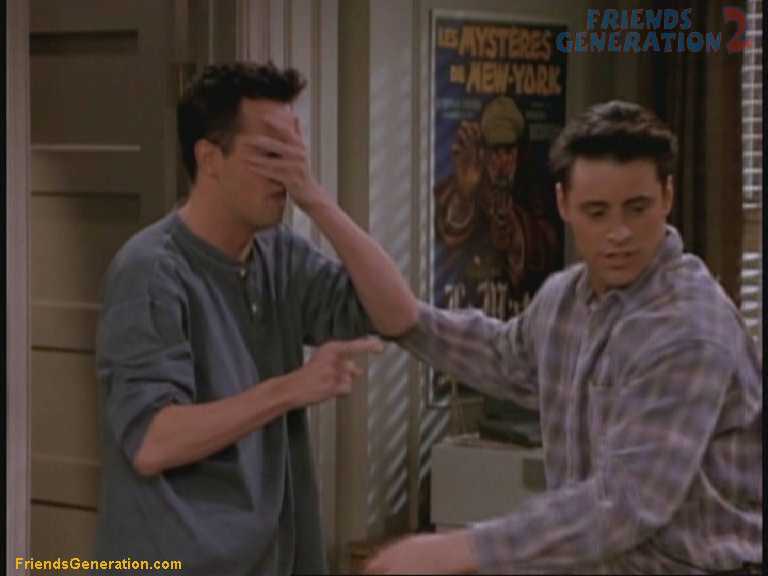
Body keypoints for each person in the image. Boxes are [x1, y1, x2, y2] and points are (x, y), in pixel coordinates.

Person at [365, 101, 762, 574]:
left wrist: (461, 549)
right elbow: (503, 357)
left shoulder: (690, 329)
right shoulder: (564, 299)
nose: (619, 233)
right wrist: (409, 322)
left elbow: (625, 504)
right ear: (563, 204)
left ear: (667, 196)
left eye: (637, 209)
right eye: (597, 212)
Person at [94, 62, 417, 576]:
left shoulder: (279, 256)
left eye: (294, 153)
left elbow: (398, 314)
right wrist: (291, 388)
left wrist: (317, 200)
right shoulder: (151, 271)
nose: (288, 172)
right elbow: (153, 440)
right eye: (270, 154)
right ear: (210, 159)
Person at [433, 95, 560, 302]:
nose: (501, 162)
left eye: (508, 151)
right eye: (494, 151)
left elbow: (550, 244)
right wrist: (465, 193)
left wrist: (516, 232)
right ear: (483, 153)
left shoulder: (537, 192)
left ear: (518, 152)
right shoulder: (462, 184)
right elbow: (444, 237)